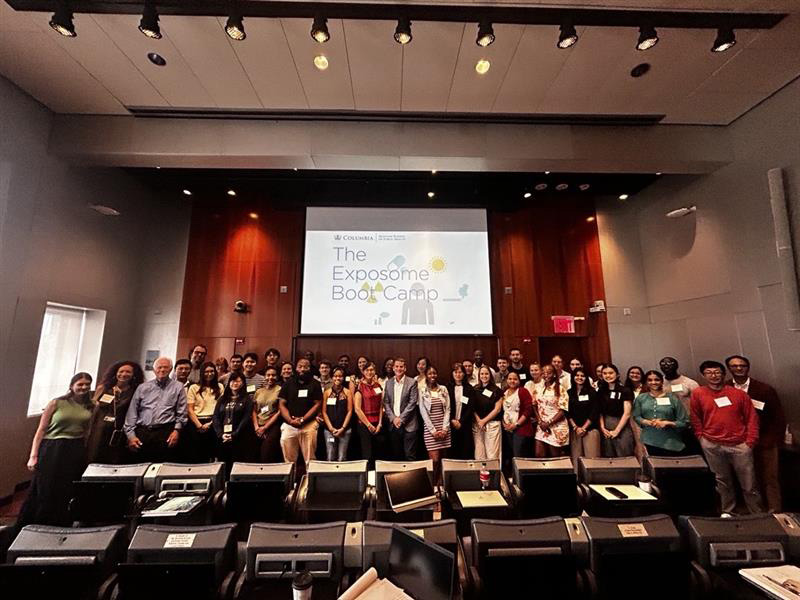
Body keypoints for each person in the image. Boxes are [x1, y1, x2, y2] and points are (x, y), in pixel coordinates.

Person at [18, 372, 94, 528]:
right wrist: (33, 455)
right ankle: (37, 523)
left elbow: (86, 431)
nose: (84, 387)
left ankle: (60, 523)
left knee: (65, 487)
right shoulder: (56, 403)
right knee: (46, 486)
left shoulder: (91, 406)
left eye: (87, 384)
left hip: (75, 447)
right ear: (72, 386)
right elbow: (41, 430)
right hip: (53, 446)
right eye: (80, 384)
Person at [691, 360, 762, 515]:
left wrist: (750, 441)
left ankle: (756, 513)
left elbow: (751, 418)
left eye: (717, 372)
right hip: (712, 443)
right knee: (722, 481)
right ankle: (728, 511)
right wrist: (701, 437)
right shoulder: (698, 393)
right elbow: (695, 417)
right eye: (709, 373)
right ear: (703, 376)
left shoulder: (739, 394)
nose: (714, 376)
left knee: (749, 483)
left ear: (723, 374)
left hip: (739, 445)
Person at [726, 354, 786, 513]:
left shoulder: (764, 389)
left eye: (742, 366)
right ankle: (754, 511)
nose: (739, 368)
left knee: (769, 478)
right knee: (747, 479)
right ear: (729, 369)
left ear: (748, 368)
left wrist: (773, 440)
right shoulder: (725, 389)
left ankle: (775, 511)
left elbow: (778, 416)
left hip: (765, 441)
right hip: (737, 442)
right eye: (734, 366)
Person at [125, 357, 187, 463]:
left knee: (162, 467)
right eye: (159, 367)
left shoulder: (178, 387)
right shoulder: (142, 387)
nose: (162, 370)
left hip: (165, 432)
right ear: (154, 370)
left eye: (165, 367)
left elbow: (181, 411)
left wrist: (177, 431)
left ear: (171, 369)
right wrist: (131, 435)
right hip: (142, 433)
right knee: (140, 466)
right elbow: (132, 412)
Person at [86, 361, 144, 464]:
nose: (124, 374)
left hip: (119, 433)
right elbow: (93, 409)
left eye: (128, 372)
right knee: (94, 459)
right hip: (99, 431)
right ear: (115, 373)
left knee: (115, 461)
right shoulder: (104, 388)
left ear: (133, 375)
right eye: (121, 371)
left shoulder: (135, 391)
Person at [279, 358, 323, 470]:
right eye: (300, 366)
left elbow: (317, 404)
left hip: (309, 424)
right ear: (296, 368)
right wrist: (290, 420)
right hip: (289, 425)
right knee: (288, 460)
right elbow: (282, 404)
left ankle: (310, 484)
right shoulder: (288, 383)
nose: (302, 369)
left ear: (310, 368)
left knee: (310, 459)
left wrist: (303, 419)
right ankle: (290, 484)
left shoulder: (315, 384)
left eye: (305, 366)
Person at [632, 370, 688, 457]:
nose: (653, 382)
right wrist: (646, 422)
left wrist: (668, 423)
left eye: (656, 380)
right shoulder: (641, 398)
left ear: (662, 381)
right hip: (650, 440)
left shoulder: (672, 398)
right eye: (650, 380)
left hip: (671, 441)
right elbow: (636, 416)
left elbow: (684, 421)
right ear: (646, 382)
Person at [212, 372, 253, 476]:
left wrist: (234, 434)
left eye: (239, 381)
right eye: (233, 381)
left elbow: (246, 418)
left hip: (240, 438)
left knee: (237, 467)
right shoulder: (222, 399)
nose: (235, 383)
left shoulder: (247, 399)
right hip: (222, 437)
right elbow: (215, 416)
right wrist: (220, 434)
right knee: (223, 466)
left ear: (243, 383)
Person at [660, 356, 701, 454]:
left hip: (687, 424)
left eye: (670, 364)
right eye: (663, 364)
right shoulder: (659, 382)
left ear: (676, 366)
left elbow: (700, 403)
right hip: (667, 425)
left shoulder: (689, 383)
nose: (666, 366)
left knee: (692, 451)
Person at [185, 362, 224, 463]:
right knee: (198, 454)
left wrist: (211, 423)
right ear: (202, 373)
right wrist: (199, 425)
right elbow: (190, 409)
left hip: (214, 422)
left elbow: (221, 408)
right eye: (206, 371)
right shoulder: (194, 387)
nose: (209, 374)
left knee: (214, 453)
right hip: (196, 422)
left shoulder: (220, 387)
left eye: (212, 371)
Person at [419, 365, 451, 486]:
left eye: (434, 373)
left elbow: (448, 409)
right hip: (430, 429)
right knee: (435, 461)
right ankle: (432, 485)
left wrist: (445, 429)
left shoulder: (443, 389)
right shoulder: (422, 390)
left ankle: (442, 485)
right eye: (430, 373)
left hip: (444, 428)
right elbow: (422, 411)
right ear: (426, 375)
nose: (432, 376)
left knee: (443, 460)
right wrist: (433, 430)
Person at [383, 357, 419, 461]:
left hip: (409, 425)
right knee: (396, 456)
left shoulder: (412, 382)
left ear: (405, 368)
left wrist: (401, 419)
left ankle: (411, 478)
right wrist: (394, 418)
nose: (399, 369)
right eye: (397, 366)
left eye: (401, 367)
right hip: (393, 425)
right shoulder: (388, 383)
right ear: (393, 368)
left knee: (409, 455)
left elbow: (412, 403)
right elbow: (386, 402)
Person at [597, 363, 635, 457]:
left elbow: (627, 413)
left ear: (617, 374)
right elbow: (600, 411)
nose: (608, 375)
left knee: (624, 454)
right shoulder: (601, 390)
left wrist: (617, 431)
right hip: (605, 425)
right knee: (609, 456)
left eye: (611, 373)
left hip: (622, 425)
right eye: (605, 373)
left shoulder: (625, 390)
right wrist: (602, 427)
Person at [354, 362, 386, 467]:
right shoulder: (360, 387)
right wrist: (368, 425)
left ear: (375, 371)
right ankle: (368, 481)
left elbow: (381, 406)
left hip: (378, 423)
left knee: (379, 453)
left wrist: (380, 424)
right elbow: (357, 409)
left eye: (371, 370)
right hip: (364, 424)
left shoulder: (378, 385)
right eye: (367, 370)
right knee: (368, 454)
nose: (369, 372)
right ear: (363, 372)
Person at [567, 368, 601, 462]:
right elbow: (567, 412)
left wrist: (584, 428)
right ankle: (578, 477)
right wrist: (575, 427)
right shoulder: (569, 393)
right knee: (576, 459)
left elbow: (595, 412)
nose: (579, 378)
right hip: (575, 430)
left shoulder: (592, 392)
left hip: (590, 429)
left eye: (582, 376)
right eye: (577, 375)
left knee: (592, 460)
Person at [534, 365, 569, 457]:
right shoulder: (539, 388)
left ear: (553, 374)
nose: (546, 375)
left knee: (555, 456)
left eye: (549, 373)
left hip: (556, 426)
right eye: (543, 373)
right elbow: (535, 406)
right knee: (539, 454)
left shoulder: (560, 389)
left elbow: (563, 410)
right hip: (541, 425)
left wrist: (548, 423)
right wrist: (540, 421)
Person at [501, 372, 535, 468]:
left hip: (521, 429)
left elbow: (528, 410)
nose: (512, 381)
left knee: (519, 456)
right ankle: (515, 480)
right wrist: (504, 424)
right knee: (511, 456)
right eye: (510, 379)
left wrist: (517, 424)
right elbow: (504, 410)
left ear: (519, 381)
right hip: (508, 429)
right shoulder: (505, 392)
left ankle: (522, 481)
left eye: (515, 379)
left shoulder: (523, 391)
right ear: (507, 380)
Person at [322, 367, 354, 461]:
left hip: (345, 429)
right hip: (329, 430)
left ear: (343, 378)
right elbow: (324, 412)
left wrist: (343, 428)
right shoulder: (327, 393)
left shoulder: (347, 392)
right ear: (332, 378)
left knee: (342, 457)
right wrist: (331, 428)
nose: (337, 378)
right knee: (330, 456)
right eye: (335, 376)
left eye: (340, 376)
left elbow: (350, 411)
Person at [252, 366, 283, 463]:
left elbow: (279, 411)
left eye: (273, 375)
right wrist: (257, 427)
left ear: (277, 377)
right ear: (264, 377)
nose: (270, 377)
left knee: (266, 452)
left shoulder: (280, 390)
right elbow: (254, 410)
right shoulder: (259, 391)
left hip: (272, 424)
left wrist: (265, 427)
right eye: (268, 375)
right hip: (257, 425)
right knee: (252, 451)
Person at [473, 365, 503, 460]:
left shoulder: (496, 390)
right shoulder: (475, 389)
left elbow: (497, 409)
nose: (484, 376)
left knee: (492, 455)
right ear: (479, 375)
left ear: (490, 375)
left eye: (486, 374)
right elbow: (472, 408)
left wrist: (484, 421)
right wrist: (479, 421)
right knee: (479, 454)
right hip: (477, 425)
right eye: (482, 374)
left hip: (492, 425)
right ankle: (481, 474)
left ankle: (494, 475)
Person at [447, 363, 476, 459]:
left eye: (460, 372)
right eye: (455, 372)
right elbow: (445, 407)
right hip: (451, 424)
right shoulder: (447, 388)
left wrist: (461, 421)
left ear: (464, 374)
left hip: (465, 424)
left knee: (465, 450)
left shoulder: (469, 388)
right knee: (452, 451)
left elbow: (470, 407)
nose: (458, 374)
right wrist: (452, 420)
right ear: (452, 374)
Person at [624, 365, 647, 459]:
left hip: (645, 419)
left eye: (638, 373)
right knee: (636, 443)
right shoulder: (625, 388)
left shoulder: (646, 388)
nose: (634, 375)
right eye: (632, 373)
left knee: (644, 443)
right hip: (630, 419)